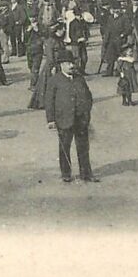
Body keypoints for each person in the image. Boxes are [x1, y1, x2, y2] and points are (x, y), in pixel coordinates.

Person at [45, 54, 98, 183]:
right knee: (64, 147)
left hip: (81, 119)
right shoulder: (55, 80)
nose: (72, 66)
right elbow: (49, 101)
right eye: (68, 63)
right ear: (61, 65)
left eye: (72, 63)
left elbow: (88, 95)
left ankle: (86, 173)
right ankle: (66, 173)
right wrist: (51, 120)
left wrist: (86, 111)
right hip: (64, 119)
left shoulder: (79, 78)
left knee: (83, 147)